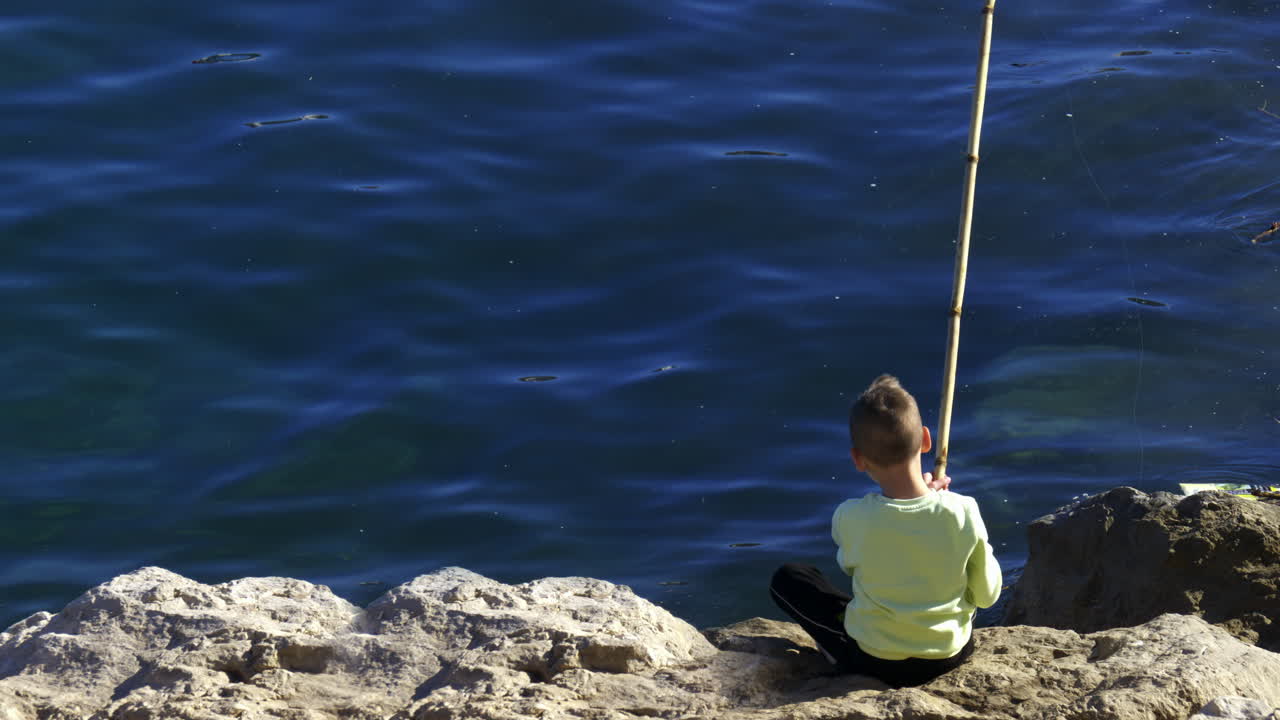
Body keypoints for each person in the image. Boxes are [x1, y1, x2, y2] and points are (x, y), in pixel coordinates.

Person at [769, 374, 1001, 687]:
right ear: (926, 440)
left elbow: (851, 566)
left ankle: (840, 658)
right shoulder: (962, 510)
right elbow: (987, 595)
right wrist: (938, 501)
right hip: (950, 655)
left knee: (789, 579)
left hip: (876, 661)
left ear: (858, 459)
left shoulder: (850, 516)